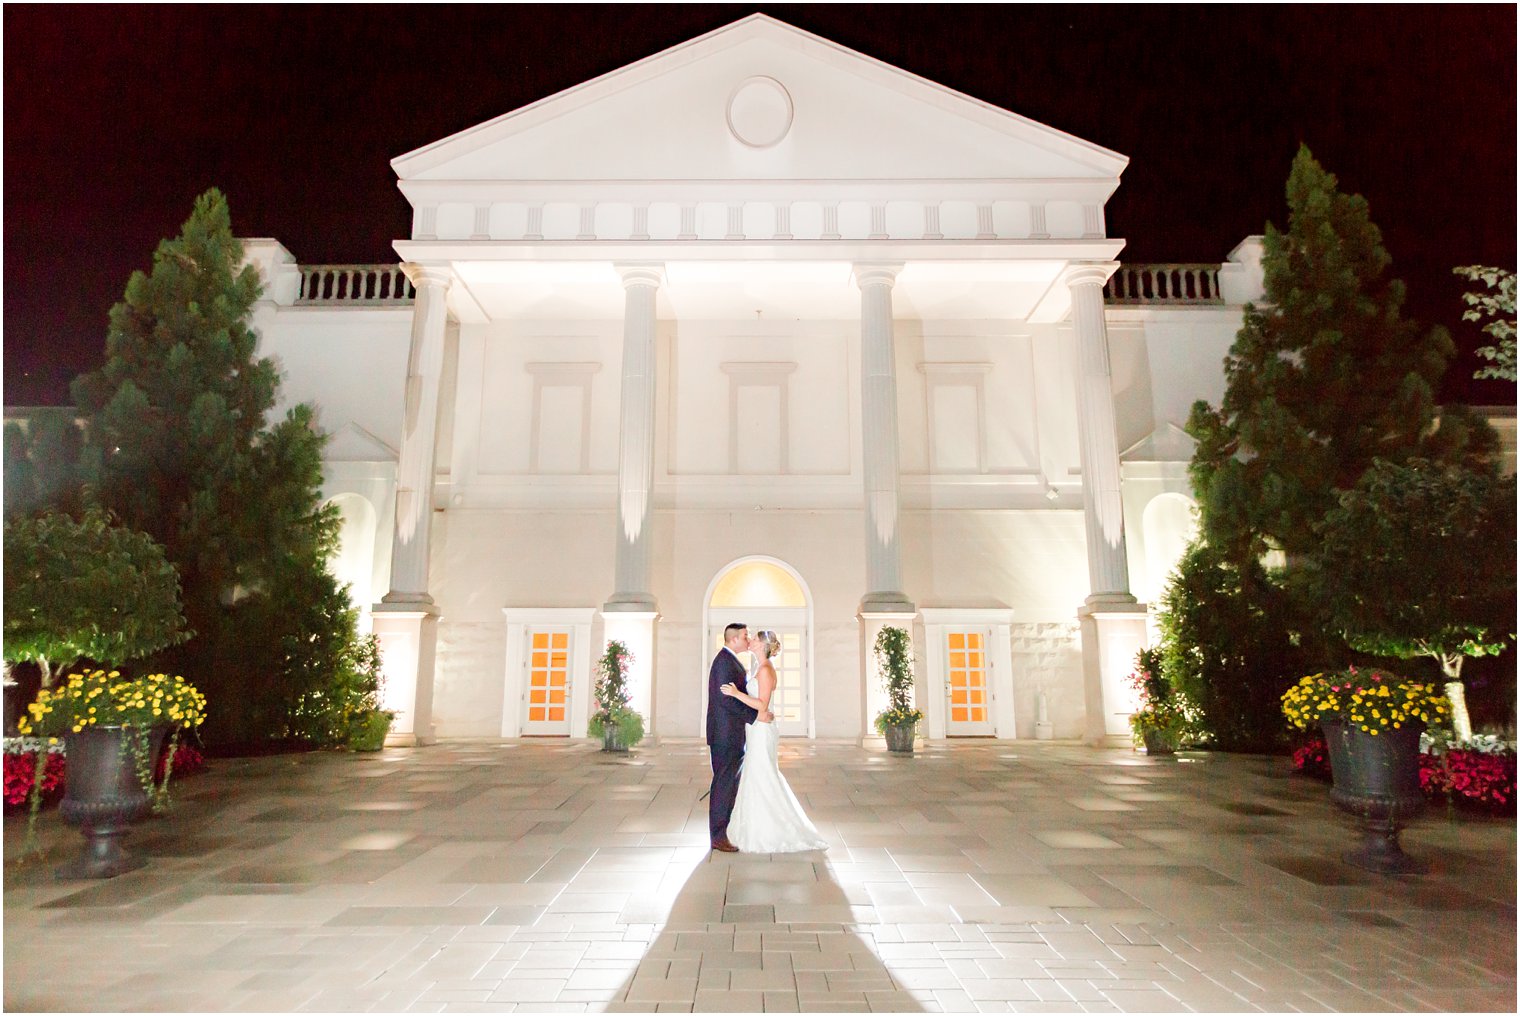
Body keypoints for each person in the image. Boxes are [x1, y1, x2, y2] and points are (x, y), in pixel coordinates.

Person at [721, 630, 829, 853]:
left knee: (762, 773)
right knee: (755, 774)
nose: (749, 640)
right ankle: (752, 826)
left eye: (754, 639)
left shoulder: (766, 670)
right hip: (756, 728)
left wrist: (735, 694)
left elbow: (762, 705)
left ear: (762, 645)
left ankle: (774, 830)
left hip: (762, 729)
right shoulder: (758, 668)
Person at [706, 622, 760, 852]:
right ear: (733, 639)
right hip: (725, 735)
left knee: (727, 783)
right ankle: (718, 836)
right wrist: (755, 715)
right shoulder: (724, 663)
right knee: (724, 784)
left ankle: (724, 830)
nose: (748, 640)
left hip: (730, 733)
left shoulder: (729, 661)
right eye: (745, 636)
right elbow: (726, 699)